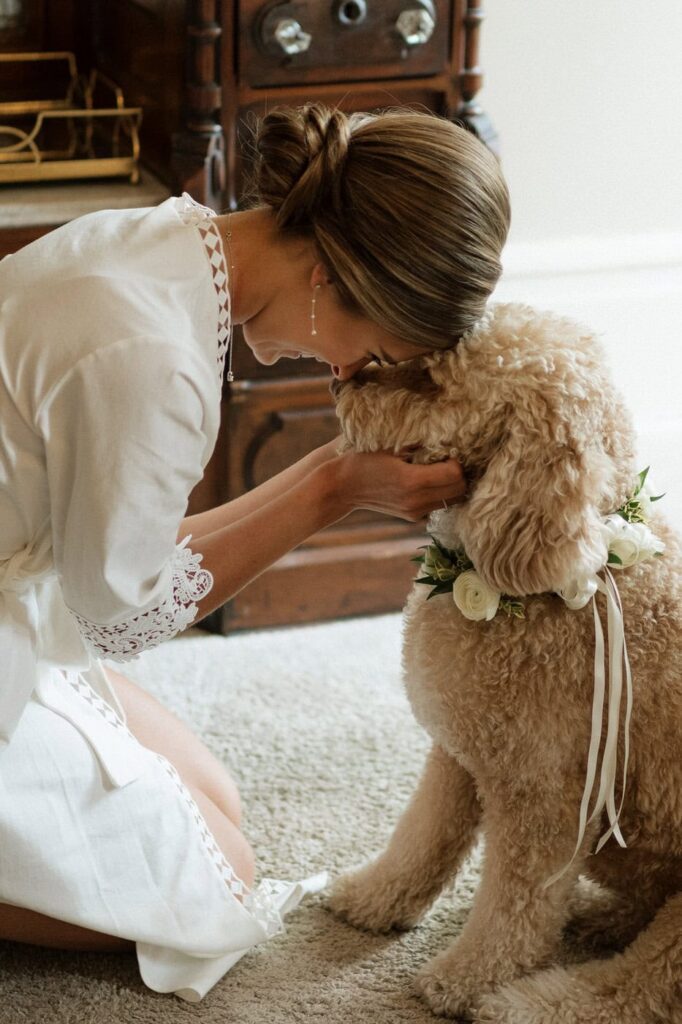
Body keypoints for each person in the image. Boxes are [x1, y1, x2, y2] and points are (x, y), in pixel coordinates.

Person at [0, 102, 510, 1000]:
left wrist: (330, 470)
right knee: (217, 888)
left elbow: (121, 560)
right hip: (44, 609)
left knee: (219, 807)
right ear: (330, 275)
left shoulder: (168, 239)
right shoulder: (156, 361)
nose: (358, 374)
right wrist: (334, 491)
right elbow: (120, 617)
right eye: (384, 348)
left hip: (25, 587)